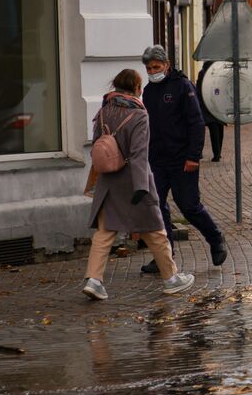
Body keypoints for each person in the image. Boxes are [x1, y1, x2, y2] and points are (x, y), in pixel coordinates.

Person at [82, 69, 195, 300]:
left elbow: (96, 143)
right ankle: (171, 278)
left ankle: (94, 280)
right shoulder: (139, 115)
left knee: (104, 233)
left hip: (108, 182)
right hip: (134, 181)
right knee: (155, 231)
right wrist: (142, 187)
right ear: (136, 88)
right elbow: (139, 155)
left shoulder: (104, 110)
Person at [139, 45, 228, 274]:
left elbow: (196, 123)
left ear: (167, 65)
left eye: (156, 67)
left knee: (189, 206)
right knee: (157, 208)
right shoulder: (148, 92)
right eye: (149, 68)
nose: (152, 71)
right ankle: (164, 257)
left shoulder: (182, 87)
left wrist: (193, 156)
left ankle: (216, 238)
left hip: (182, 160)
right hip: (157, 161)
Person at [194, 60, 225, 162]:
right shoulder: (215, 72)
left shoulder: (204, 72)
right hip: (214, 105)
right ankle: (217, 153)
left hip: (207, 105)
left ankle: (213, 154)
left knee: (213, 129)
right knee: (217, 128)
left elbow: (199, 90)